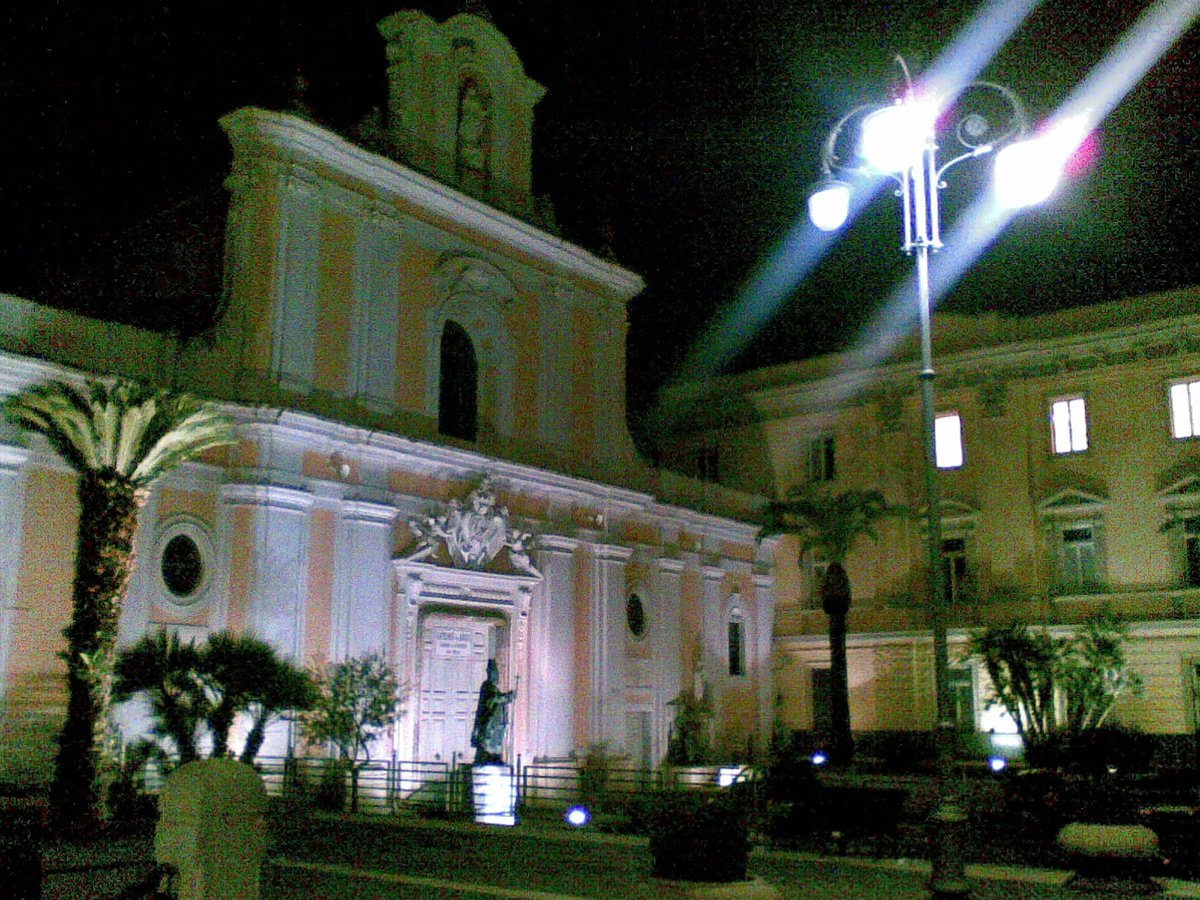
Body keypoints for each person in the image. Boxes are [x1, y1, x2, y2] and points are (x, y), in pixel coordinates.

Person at [470, 659, 515, 765]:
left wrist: (507, 697)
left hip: (495, 722)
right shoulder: (487, 686)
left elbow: (498, 698)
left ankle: (494, 757)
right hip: (488, 721)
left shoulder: (492, 687)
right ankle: (486, 758)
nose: (497, 676)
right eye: (495, 673)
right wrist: (508, 697)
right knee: (487, 740)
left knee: (495, 740)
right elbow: (494, 699)